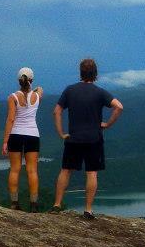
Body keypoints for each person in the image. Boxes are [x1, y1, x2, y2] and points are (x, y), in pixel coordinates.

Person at [51, 58, 123, 219]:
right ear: (95, 74)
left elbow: (56, 111)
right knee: (92, 173)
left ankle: (56, 205)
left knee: (65, 170)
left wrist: (61, 133)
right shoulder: (100, 92)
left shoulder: (70, 90)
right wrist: (107, 125)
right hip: (94, 139)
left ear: (80, 73)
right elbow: (119, 106)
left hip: (74, 138)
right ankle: (88, 210)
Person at [2, 67, 43, 212]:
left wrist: (5, 141)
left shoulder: (12, 97)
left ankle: (14, 204)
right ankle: (34, 205)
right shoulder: (38, 96)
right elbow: (39, 89)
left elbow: (11, 119)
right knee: (32, 170)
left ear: (19, 81)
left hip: (16, 134)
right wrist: (34, 87)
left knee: (15, 170)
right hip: (33, 135)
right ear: (31, 80)